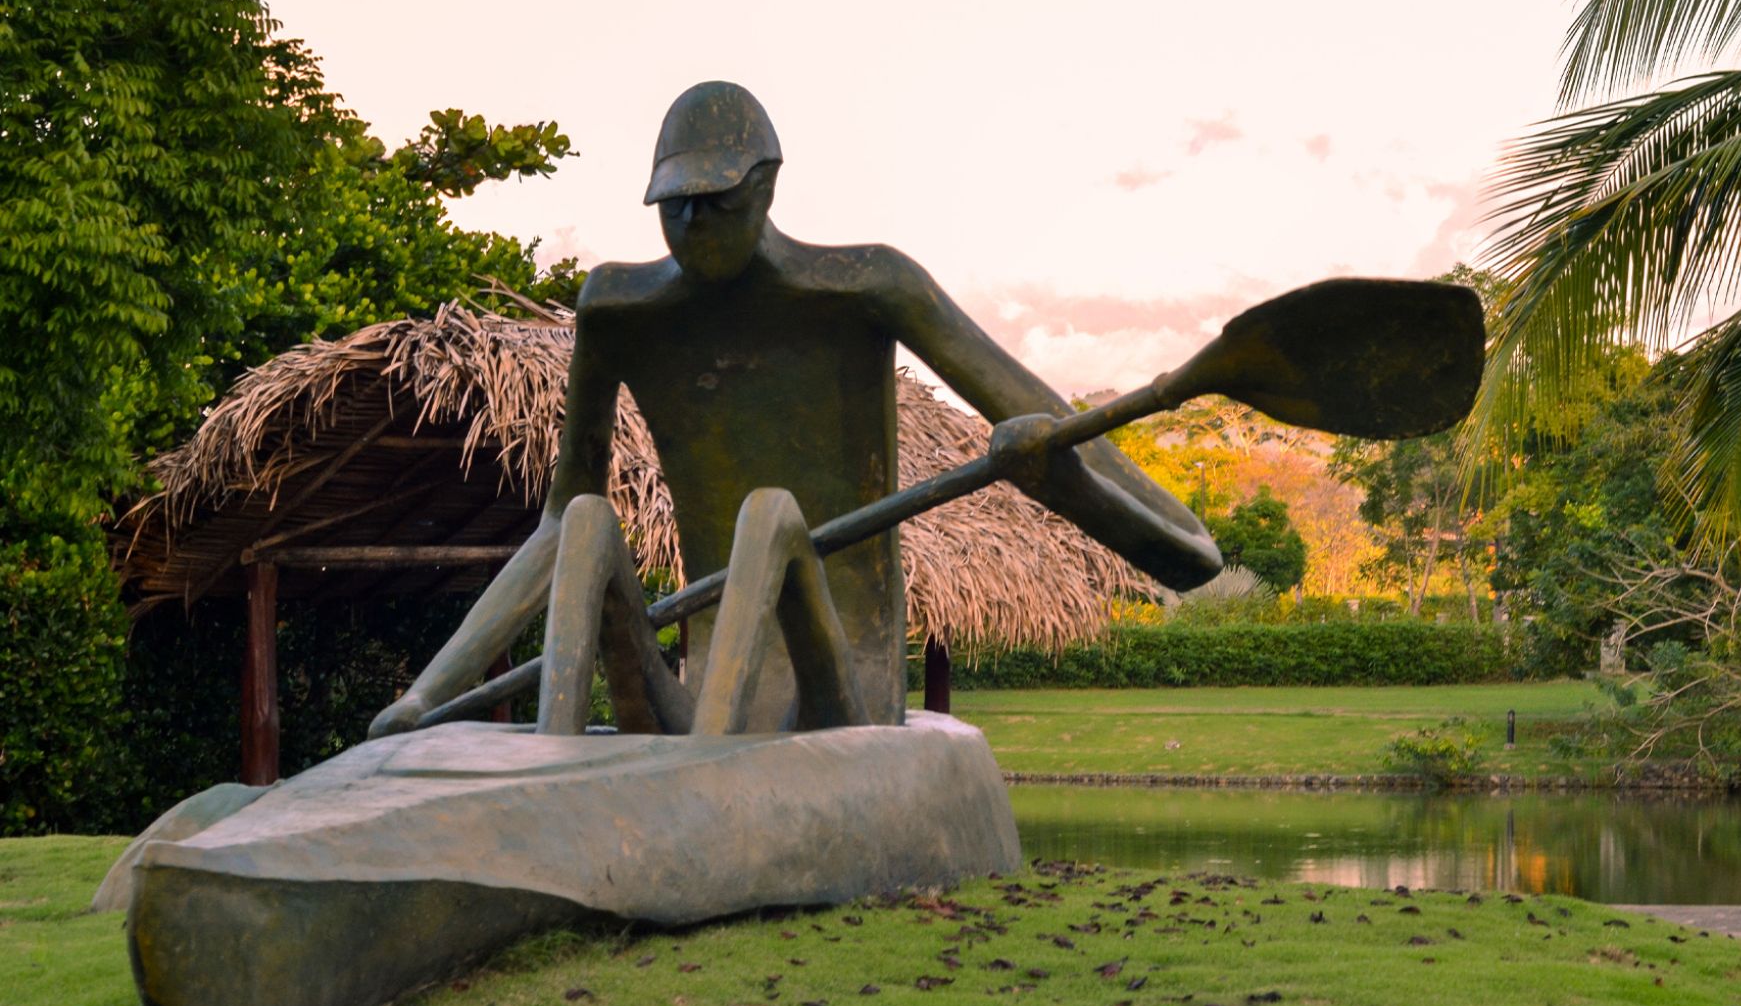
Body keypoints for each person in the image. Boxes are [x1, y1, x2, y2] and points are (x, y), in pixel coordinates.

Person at [367, 81, 1219, 740]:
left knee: (772, 519)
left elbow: (1187, 554)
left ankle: (704, 776)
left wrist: (1062, 480)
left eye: (717, 202)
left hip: (840, 691)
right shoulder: (617, 308)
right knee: (591, 522)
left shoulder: (866, 285)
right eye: (675, 206)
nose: (693, 224)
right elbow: (560, 524)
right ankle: (556, 780)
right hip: (708, 691)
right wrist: (424, 696)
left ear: (767, 187)